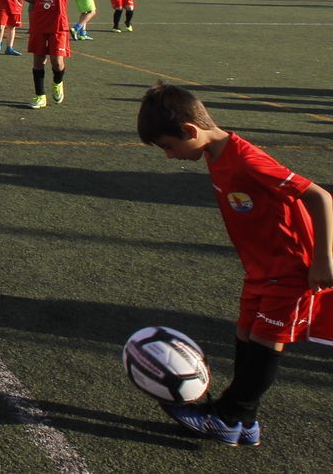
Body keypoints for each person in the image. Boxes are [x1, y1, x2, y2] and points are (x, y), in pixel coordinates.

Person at [138, 84, 333, 446]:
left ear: (191, 131)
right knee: (245, 335)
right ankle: (245, 421)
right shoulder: (214, 153)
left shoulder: (246, 160)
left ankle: (228, 417)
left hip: (290, 269)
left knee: (266, 342)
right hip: (260, 269)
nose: (168, 155)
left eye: (168, 146)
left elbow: (319, 196)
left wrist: (322, 260)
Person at [25, 0, 72, 110]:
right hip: (39, 22)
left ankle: (58, 82)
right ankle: (40, 96)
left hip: (57, 23)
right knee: (38, 60)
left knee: (57, 62)